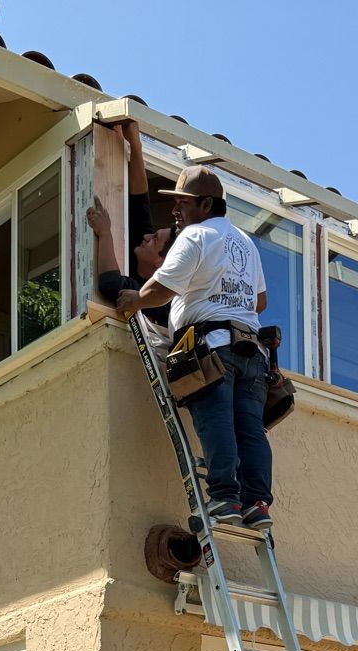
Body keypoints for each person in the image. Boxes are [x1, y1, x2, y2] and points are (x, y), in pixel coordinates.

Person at [115, 165, 274, 533]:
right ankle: (257, 503)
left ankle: (224, 497)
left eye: (182, 204)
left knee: (216, 420)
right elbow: (260, 301)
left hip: (212, 348)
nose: (176, 212)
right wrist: (225, 297)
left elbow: (163, 289)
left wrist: (135, 299)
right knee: (250, 430)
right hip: (250, 351)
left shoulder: (195, 236)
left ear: (205, 204)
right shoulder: (245, 243)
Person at [86, 117, 174, 326]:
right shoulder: (141, 249)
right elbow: (139, 197)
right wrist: (134, 142)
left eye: (154, 240)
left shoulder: (162, 299)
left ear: (160, 263)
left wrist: (105, 233)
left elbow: (110, 284)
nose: (146, 236)